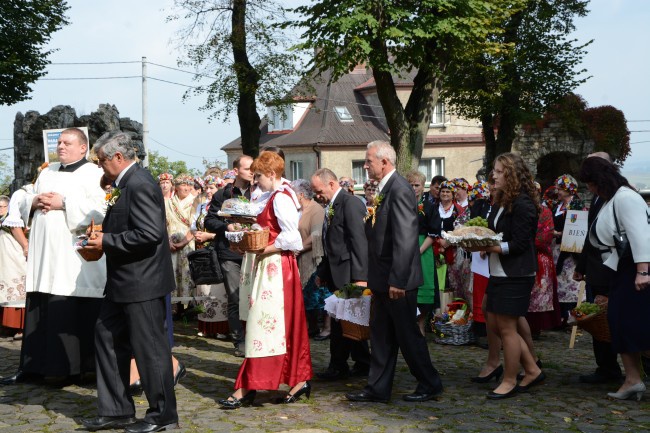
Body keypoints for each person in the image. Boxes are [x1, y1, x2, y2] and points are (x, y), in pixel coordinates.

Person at [80, 131, 178, 432]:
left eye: (101, 161)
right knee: (106, 337)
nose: (100, 167)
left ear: (118, 157)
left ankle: (163, 414)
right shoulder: (125, 183)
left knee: (150, 348)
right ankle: (116, 410)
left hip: (142, 282)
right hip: (122, 281)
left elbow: (150, 234)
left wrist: (106, 239)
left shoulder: (139, 182)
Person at [1, 127, 107, 386]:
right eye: (59, 142)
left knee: (69, 309)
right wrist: (34, 200)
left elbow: (103, 208)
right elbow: (23, 201)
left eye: (67, 143)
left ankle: (73, 370)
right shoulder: (46, 172)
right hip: (43, 256)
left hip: (72, 258)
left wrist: (65, 203)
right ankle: (33, 368)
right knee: (40, 307)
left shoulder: (95, 173)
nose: (61, 146)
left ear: (83, 147)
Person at [346, 140, 443, 403]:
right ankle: (377, 388)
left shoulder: (399, 189)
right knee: (381, 336)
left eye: (368, 161)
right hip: (382, 278)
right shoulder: (386, 188)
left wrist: (398, 280)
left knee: (407, 335)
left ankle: (430, 382)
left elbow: (405, 238)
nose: (365, 166)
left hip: (397, 280)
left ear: (384, 162)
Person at [218, 151, 312, 408]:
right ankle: (298, 379)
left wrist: (262, 248)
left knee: (265, 326)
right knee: (275, 326)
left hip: (276, 267)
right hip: (266, 264)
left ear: (271, 174)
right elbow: (266, 226)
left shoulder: (282, 198)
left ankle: (248, 385)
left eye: (258, 175)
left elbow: (292, 238)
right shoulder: (270, 195)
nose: (255, 181)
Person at [469, 152, 542, 399]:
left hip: (517, 273)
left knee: (508, 328)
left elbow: (521, 243)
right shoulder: (501, 200)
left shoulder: (523, 203)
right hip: (500, 271)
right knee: (498, 323)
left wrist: (489, 247)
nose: (494, 175)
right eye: (495, 171)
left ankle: (511, 379)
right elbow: (496, 233)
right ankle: (531, 369)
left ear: (511, 175)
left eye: (499, 172)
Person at [578, 156, 650, 401]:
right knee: (620, 324)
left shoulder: (625, 198)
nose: (589, 188)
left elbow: (640, 234)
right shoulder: (614, 199)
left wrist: (642, 271)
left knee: (636, 326)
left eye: (589, 183)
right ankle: (633, 380)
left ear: (599, 179)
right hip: (622, 270)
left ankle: (634, 380)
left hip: (635, 271)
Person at [311, 168, 371, 381]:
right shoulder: (332, 206)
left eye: (318, 191)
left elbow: (359, 242)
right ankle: (362, 362)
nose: (317, 195)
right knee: (346, 321)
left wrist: (360, 276)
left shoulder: (350, 203)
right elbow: (333, 244)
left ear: (332, 184)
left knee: (343, 322)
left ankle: (339, 365)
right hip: (337, 272)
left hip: (350, 274)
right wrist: (322, 271)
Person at [573, 153, 622, 384]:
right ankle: (606, 367)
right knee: (596, 320)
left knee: (615, 319)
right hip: (594, 269)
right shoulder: (595, 198)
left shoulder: (617, 196)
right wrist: (581, 266)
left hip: (610, 270)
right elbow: (589, 236)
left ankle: (633, 367)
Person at [204, 155, 254, 357]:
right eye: (247, 168)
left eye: (253, 169)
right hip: (229, 253)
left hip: (253, 251)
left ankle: (255, 338)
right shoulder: (222, 194)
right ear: (236, 170)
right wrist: (227, 226)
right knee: (235, 298)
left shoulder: (259, 193)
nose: (251, 172)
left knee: (253, 298)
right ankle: (239, 341)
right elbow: (209, 221)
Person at [192, 175, 229, 338]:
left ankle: (222, 327)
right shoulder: (201, 206)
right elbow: (193, 225)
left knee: (219, 290)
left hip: (217, 247)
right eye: (206, 188)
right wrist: (196, 234)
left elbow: (227, 230)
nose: (208, 191)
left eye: (212, 188)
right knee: (204, 289)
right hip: (202, 251)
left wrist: (210, 237)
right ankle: (207, 326)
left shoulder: (223, 206)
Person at [406, 170, 441, 336]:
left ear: (423, 186)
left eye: (417, 185)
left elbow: (434, 233)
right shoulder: (402, 203)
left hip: (423, 249)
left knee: (425, 284)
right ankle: (410, 324)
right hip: (405, 247)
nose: (414, 188)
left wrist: (419, 250)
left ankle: (421, 324)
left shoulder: (430, 206)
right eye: (411, 185)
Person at [290, 179, 326, 338]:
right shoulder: (297, 210)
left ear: (301, 195)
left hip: (311, 257)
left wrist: (298, 248)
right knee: (305, 295)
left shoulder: (316, 209)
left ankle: (322, 327)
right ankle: (309, 327)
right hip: (298, 257)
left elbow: (316, 235)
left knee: (316, 294)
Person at [526, 182, 561, 337]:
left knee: (539, 293)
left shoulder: (545, 211)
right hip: (523, 255)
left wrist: (524, 241)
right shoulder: (519, 209)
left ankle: (535, 327)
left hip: (539, 256)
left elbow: (546, 235)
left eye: (534, 191)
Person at [552, 174, 585, 325]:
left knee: (571, 284)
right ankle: (561, 317)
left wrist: (559, 233)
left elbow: (578, 229)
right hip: (556, 249)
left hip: (571, 251)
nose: (557, 190)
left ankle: (574, 317)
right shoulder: (556, 206)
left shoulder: (577, 205)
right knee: (559, 283)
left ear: (568, 189)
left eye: (560, 188)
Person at [166, 174, 196, 319]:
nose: (187, 188)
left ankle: (188, 306)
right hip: (170, 240)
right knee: (171, 271)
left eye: (189, 185)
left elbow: (195, 226)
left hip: (188, 241)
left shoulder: (194, 202)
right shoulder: (169, 203)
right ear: (176, 187)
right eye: (183, 185)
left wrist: (183, 242)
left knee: (187, 271)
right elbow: (162, 223)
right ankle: (174, 306)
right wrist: (168, 241)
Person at [0, 194, 28, 339]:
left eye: (0, 207)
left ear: (7, 207)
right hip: (4, 262)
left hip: (15, 260)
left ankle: (19, 327)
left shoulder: (13, 220)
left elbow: (24, 236)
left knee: (16, 291)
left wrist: (25, 247)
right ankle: (6, 327)